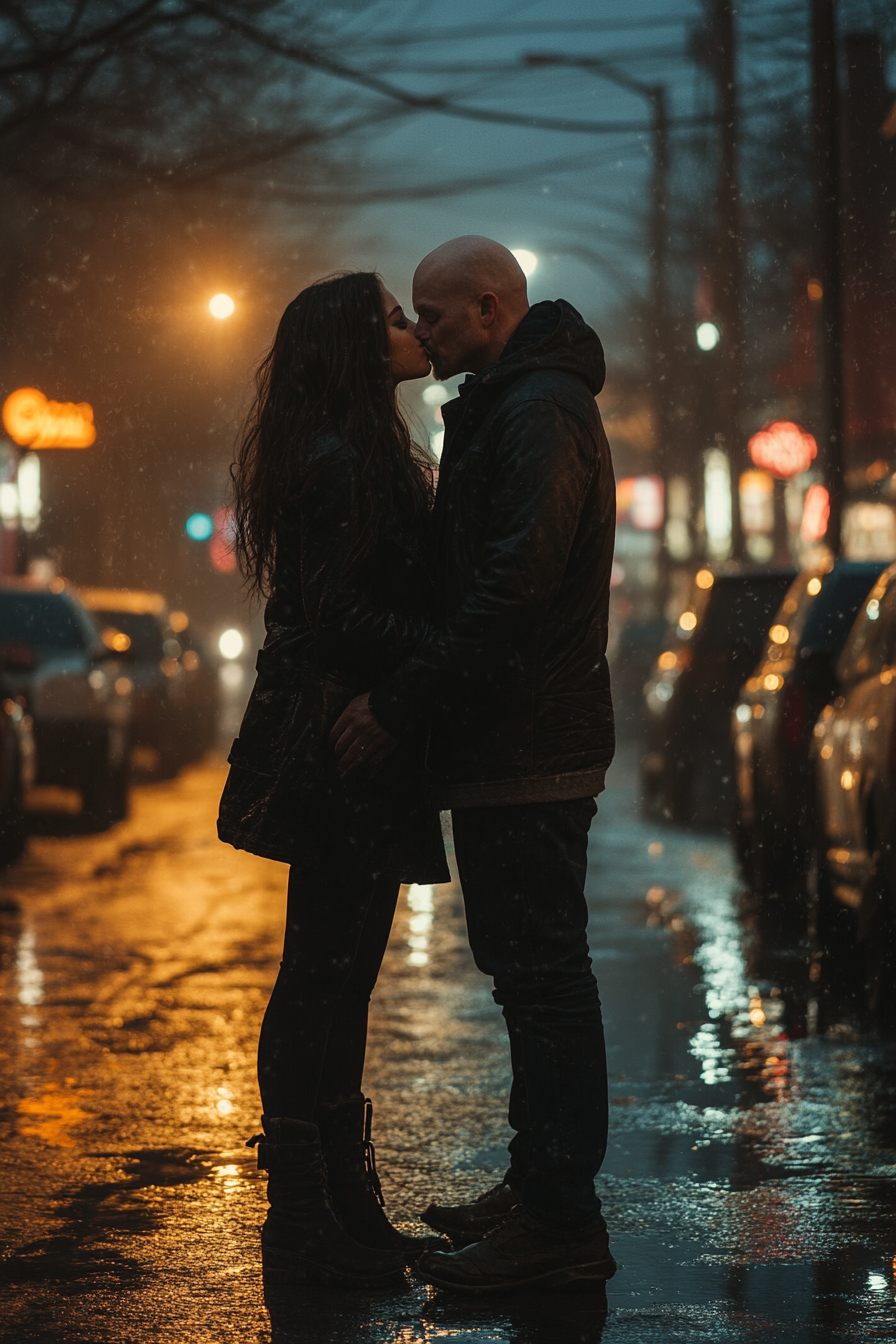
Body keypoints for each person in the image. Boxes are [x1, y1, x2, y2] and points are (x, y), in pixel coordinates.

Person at [331, 236, 618, 1293]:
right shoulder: (514, 403)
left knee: (542, 980)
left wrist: (401, 702)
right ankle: (540, 1190)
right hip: (511, 739)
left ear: (491, 306)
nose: (421, 332)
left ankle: (557, 1217)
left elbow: (514, 583)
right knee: (528, 977)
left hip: (527, 742)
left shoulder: (536, 410)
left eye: (434, 314)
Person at [218, 271, 449, 1288]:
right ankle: (306, 1216)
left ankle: (340, 1212)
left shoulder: (349, 450)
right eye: (394, 320)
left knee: (339, 971)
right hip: (336, 744)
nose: (412, 329)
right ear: (357, 348)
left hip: (347, 739)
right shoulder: (341, 460)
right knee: (323, 973)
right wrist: (443, 649)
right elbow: (340, 613)